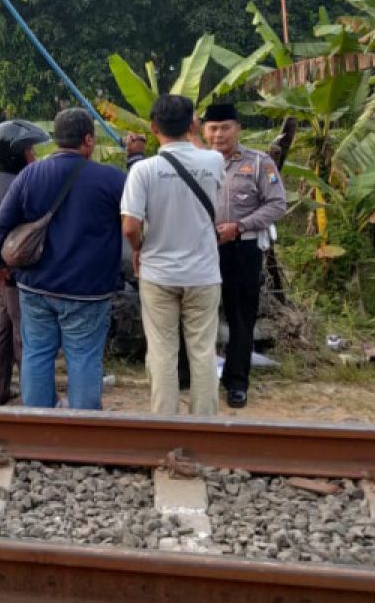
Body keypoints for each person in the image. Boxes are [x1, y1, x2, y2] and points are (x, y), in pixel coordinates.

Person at [0, 109, 126, 410]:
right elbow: (133, 224)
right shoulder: (112, 180)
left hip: (36, 287)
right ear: (88, 139)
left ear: (55, 139)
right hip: (88, 291)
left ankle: (38, 425)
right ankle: (83, 428)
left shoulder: (30, 174)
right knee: (84, 357)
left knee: (36, 353)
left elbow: (3, 221)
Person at [121, 94, 225, 416]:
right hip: (204, 274)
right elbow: (199, 153)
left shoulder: (143, 170)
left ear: (153, 127)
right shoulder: (215, 161)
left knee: (163, 352)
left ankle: (164, 424)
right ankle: (204, 424)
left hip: (159, 274)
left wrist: (139, 249)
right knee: (203, 352)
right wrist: (193, 130)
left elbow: (129, 227)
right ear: (193, 124)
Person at [201, 103, 287, 408]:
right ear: (203, 130)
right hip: (201, 249)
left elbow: (277, 204)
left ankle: (237, 382)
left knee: (240, 318)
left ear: (238, 129)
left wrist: (239, 227)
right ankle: (193, 376)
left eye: (225, 127)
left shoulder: (259, 163)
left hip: (241, 249)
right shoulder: (195, 162)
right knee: (198, 316)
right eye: (212, 128)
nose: (218, 134)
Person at [0, 120, 51, 405]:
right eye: (30, 150)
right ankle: (35, 395)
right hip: (14, 270)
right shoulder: (23, 184)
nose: (35, 155)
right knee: (24, 332)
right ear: (17, 153)